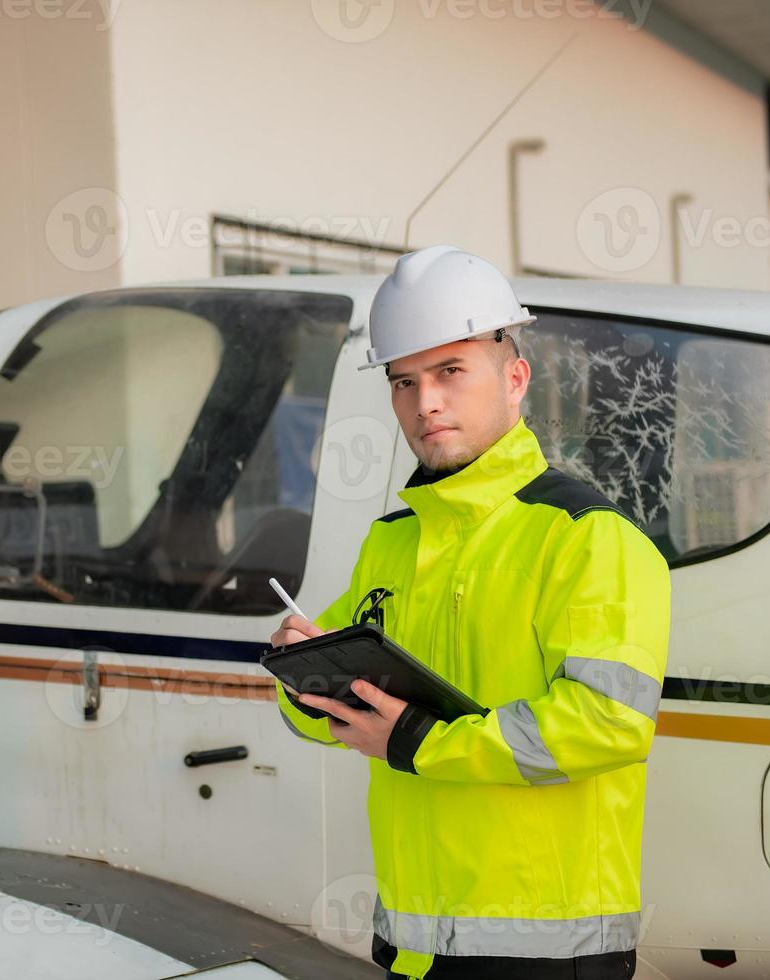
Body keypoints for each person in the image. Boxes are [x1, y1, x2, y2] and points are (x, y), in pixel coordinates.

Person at [271, 245, 670, 979]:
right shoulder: (390, 543)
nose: (424, 403)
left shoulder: (586, 537)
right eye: (403, 382)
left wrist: (421, 742)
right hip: (414, 947)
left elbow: (607, 723)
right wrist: (302, 672)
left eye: (450, 372)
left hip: (545, 953)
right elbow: (330, 720)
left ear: (514, 379)